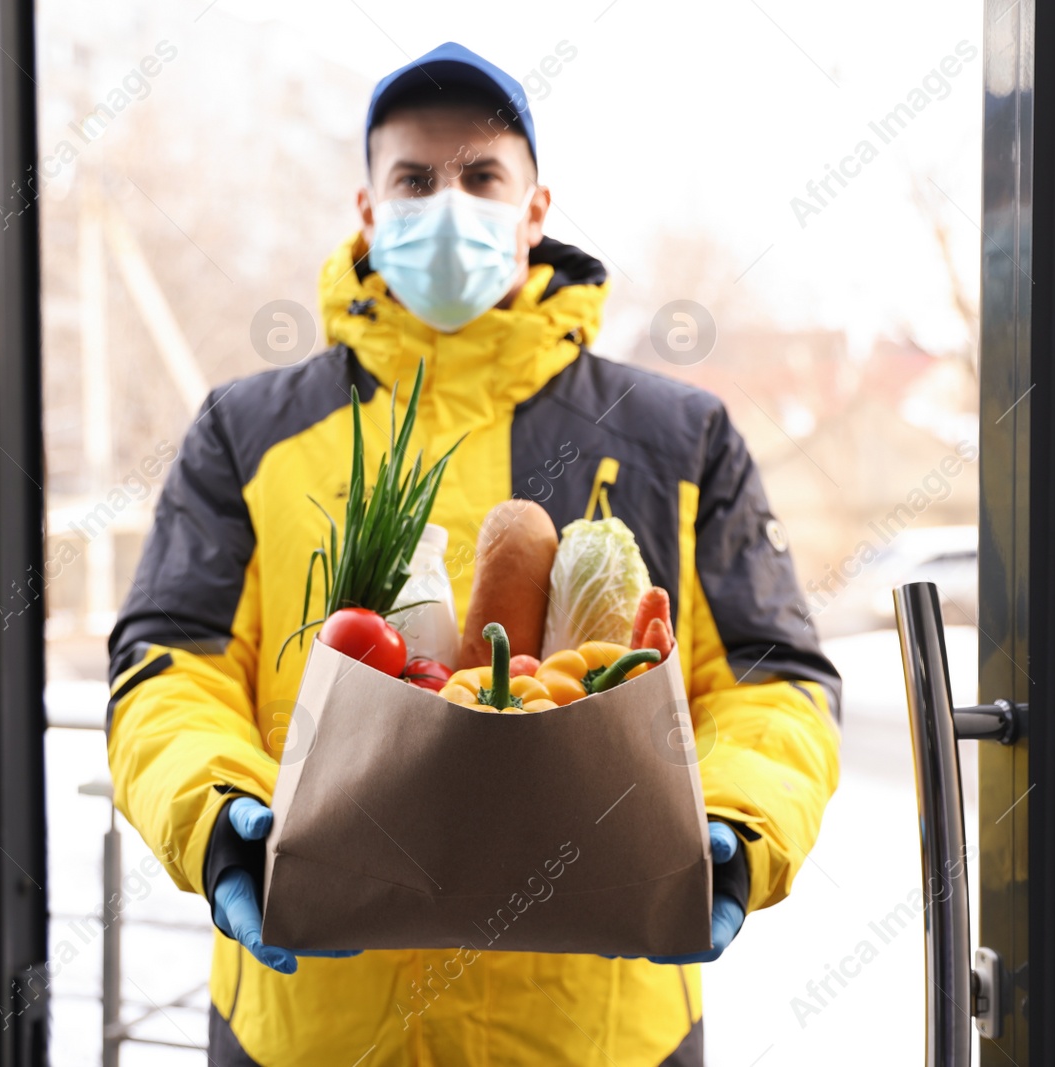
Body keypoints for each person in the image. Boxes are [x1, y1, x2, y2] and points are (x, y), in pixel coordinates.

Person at [106, 41, 841, 1067]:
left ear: (536, 210)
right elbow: (168, 664)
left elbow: (773, 679)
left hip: (594, 1032)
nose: (445, 201)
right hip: (310, 1028)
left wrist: (733, 819)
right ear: (367, 210)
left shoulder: (676, 436)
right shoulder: (247, 432)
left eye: (481, 175)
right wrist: (216, 810)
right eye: (412, 177)